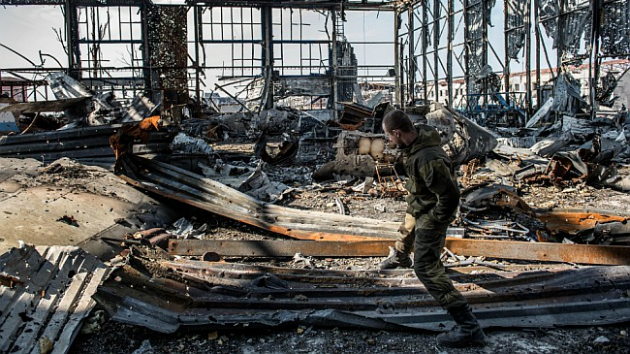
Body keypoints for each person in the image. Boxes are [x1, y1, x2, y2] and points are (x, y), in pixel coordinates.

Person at [380, 109, 486, 348]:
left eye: (389, 135)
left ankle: (469, 327)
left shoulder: (428, 158)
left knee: (426, 268)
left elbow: (450, 197)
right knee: (407, 227)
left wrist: (434, 219)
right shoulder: (416, 141)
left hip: (431, 212)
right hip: (421, 203)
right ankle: (400, 257)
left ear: (398, 133)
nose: (388, 140)